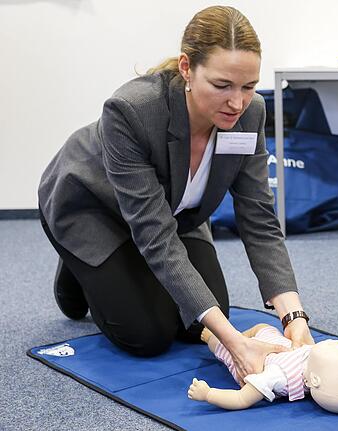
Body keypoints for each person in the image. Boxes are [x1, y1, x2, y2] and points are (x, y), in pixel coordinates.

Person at [37, 6, 314, 381]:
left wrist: (294, 317)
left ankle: (118, 271)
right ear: (186, 68)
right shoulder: (131, 110)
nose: (237, 102)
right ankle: (79, 266)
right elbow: (155, 238)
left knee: (195, 323)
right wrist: (235, 344)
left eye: (248, 86)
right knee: (147, 334)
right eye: (222, 86)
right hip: (91, 205)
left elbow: (259, 220)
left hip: (172, 210)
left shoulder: (251, 115)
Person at [188, 324, 338, 413]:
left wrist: (208, 394)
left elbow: (241, 399)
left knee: (222, 347)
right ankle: (240, 337)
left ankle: (214, 338)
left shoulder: (278, 377)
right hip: (275, 341)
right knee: (262, 327)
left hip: (251, 359)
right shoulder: (329, 364)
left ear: (314, 380)